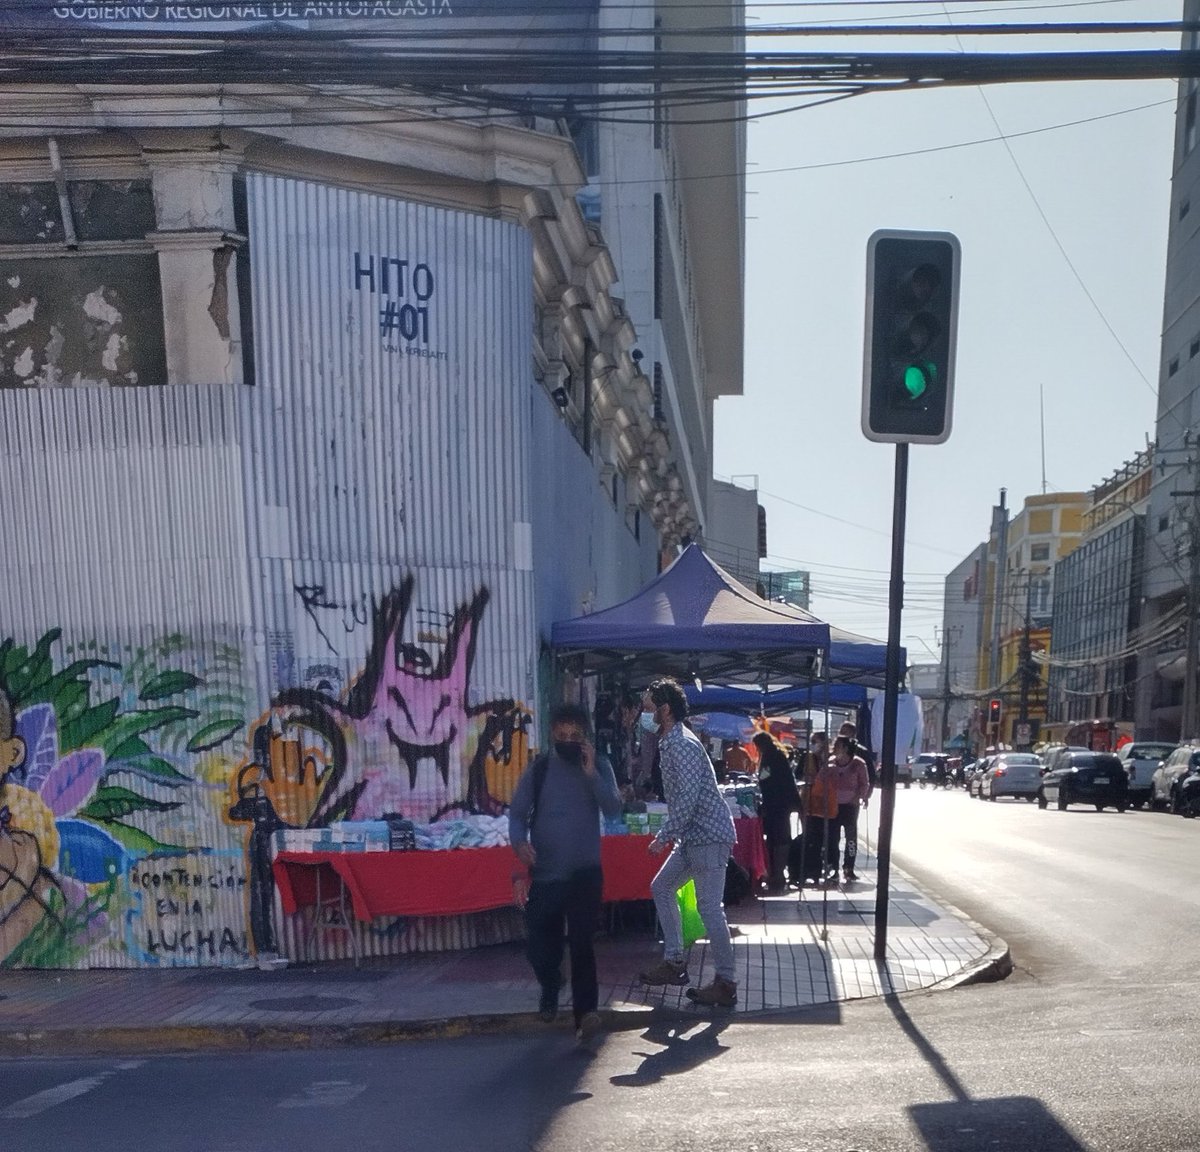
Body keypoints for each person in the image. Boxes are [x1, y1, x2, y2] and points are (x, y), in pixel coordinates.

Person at [509, 702, 622, 1042]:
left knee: (583, 943)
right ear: (552, 736)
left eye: (575, 735)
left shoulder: (599, 765)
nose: (568, 741)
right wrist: (519, 844)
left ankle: (585, 1013)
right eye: (562, 736)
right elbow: (517, 814)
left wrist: (591, 775)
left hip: (586, 873)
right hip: (546, 875)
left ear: (585, 736)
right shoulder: (540, 769)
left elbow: (614, 809)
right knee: (540, 941)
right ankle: (550, 983)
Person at [637, 677, 739, 1008]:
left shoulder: (681, 744)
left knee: (710, 908)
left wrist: (663, 836)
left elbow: (689, 799)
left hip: (707, 836)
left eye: (649, 707)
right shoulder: (673, 742)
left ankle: (725, 982)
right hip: (694, 837)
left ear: (665, 710)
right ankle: (675, 962)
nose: (645, 712)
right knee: (661, 887)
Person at [752, 730, 798, 895]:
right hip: (782, 804)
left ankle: (777, 873)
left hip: (775, 805)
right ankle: (777, 873)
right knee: (779, 837)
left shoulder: (770, 758)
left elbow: (766, 780)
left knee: (777, 838)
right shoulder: (777, 755)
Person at [829, 734, 871, 883]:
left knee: (851, 839)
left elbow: (864, 783)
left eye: (837, 746)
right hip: (833, 806)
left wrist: (859, 797)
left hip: (851, 806)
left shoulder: (858, 764)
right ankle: (832, 867)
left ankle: (849, 868)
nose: (834, 749)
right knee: (832, 838)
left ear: (845, 748)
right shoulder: (831, 763)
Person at [799, 731, 838, 887]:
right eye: (812, 741)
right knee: (812, 839)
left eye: (816, 741)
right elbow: (799, 776)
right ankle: (813, 869)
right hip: (810, 804)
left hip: (829, 806)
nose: (814, 745)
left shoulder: (833, 759)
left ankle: (832, 867)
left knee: (830, 839)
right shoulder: (807, 758)